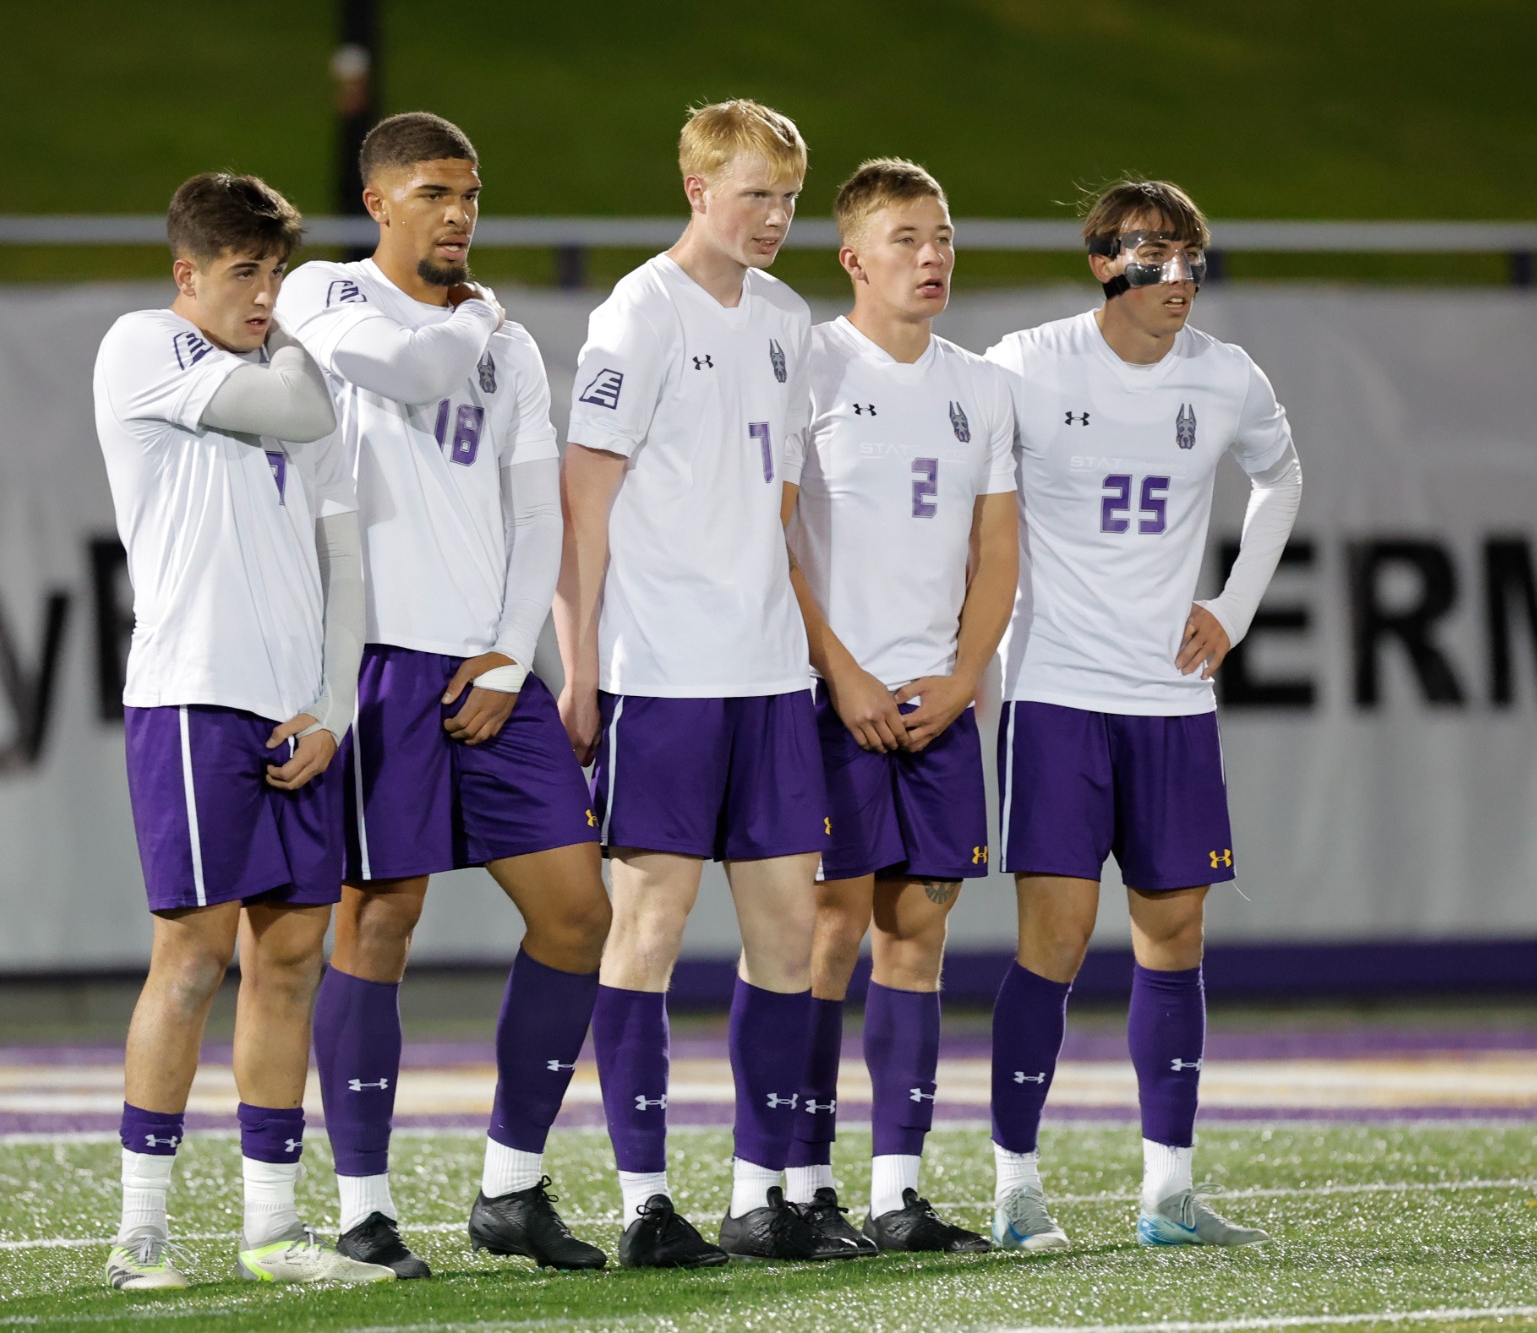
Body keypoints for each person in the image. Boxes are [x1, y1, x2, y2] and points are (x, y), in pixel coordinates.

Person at [276, 111, 613, 1276]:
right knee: (379, 917)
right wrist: (471, 320)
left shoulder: (508, 346)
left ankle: (511, 1185)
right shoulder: (325, 298)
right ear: (376, 202)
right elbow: (412, 365)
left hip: (488, 665)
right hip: (375, 658)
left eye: (469, 193)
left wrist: (517, 655)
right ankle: (365, 1207)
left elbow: (535, 514)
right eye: (432, 192)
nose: (458, 214)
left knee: (579, 914)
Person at [557, 99, 862, 1266]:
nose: (774, 218)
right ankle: (642, 1202)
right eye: (752, 195)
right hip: (663, 676)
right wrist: (578, 669)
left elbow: (780, 506)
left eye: (786, 197)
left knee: (788, 934)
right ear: (694, 190)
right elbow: (582, 504)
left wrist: (812, 655)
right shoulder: (636, 312)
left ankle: (758, 1193)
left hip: (767, 678)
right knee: (647, 929)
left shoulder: (786, 317)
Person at [981, 179, 1303, 1250]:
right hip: (1060, 691)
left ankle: (1167, 1191)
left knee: (1174, 935)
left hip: (1171, 698)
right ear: (1101, 263)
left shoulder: (1224, 376)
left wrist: (1231, 607)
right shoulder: (1026, 364)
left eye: (1191, 257)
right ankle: (1012, 1185)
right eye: (1155, 257)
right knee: (1055, 942)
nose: (1179, 279)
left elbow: (1280, 476)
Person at [92, 172, 389, 1288]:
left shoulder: (280, 367)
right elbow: (307, 409)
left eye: (274, 273)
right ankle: (142, 1233)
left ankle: (271, 1230)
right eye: (242, 273)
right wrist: (308, 337)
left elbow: (343, 558)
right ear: (187, 276)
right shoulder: (141, 347)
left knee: (292, 957)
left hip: (295, 713)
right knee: (193, 958)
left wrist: (336, 707)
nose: (264, 295)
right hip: (192, 694)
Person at [782, 159, 1017, 1254]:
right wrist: (840, 669)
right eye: (907, 238)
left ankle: (895, 1191)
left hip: (937, 702)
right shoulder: (809, 367)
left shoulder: (979, 384)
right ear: (853, 258)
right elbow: (776, 535)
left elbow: (997, 549)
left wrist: (965, 678)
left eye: (942, 237)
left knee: (914, 935)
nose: (931, 258)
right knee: (829, 929)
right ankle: (805, 1181)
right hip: (837, 697)